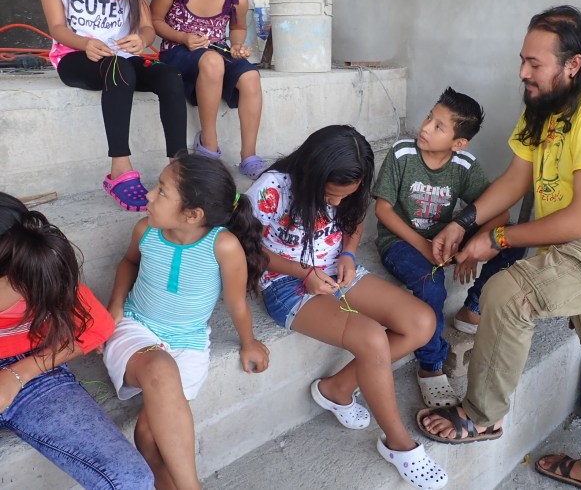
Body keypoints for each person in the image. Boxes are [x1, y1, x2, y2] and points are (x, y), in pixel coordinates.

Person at [417, 6, 581, 490]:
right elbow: (515, 180)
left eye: (534, 63)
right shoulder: (543, 106)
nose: (523, 72)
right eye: (523, 60)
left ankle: (482, 415)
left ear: (573, 64)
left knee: (509, 292)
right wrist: (463, 222)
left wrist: (497, 238)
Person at [247, 125, 448, 490]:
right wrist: (303, 272)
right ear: (311, 174)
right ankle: (399, 445)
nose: (337, 203)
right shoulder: (273, 188)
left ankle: (337, 388)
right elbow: (245, 247)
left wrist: (350, 255)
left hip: (336, 270)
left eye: (345, 195)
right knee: (370, 337)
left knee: (422, 322)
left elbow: (354, 219)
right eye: (330, 195)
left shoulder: (352, 185)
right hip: (286, 282)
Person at [102, 154, 270, 489]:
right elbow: (128, 263)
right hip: (135, 327)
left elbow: (236, 303)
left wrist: (249, 342)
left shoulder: (223, 246)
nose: (149, 194)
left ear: (193, 215)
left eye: (161, 191)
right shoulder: (146, 230)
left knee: (148, 438)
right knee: (159, 368)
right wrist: (115, 305)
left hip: (188, 342)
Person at [374, 87, 524, 408]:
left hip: (445, 240)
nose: (426, 127)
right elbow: (383, 210)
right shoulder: (402, 154)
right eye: (430, 117)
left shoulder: (464, 165)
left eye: (439, 126)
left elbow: (499, 212)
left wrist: (475, 245)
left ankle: (473, 309)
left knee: (511, 241)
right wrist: (423, 246)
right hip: (401, 242)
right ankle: (430, 365)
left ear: (458, 143)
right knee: (432, 283)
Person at [0, 192, 153, 489]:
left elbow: (97, 326)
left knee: (131, 480)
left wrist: (21, 373)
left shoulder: (39, 273)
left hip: (32, 371)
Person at [35, 0, 188, 212]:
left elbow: (146, 27)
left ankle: (180, 167)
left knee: (169, 75)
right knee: (119, 69)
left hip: (120, 57)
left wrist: (142, 40)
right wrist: (85, 43)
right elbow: (56, 27)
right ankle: (119, 168)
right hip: (75, 56)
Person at [151, 0, 266, 179]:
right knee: (213, 62)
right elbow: (155, 21)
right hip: (176, 51)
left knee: (250, 77)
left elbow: (238, 28)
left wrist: (237, 46)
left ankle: (249, 156)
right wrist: (183, 37)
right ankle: (209, 146)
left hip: (215, 51)